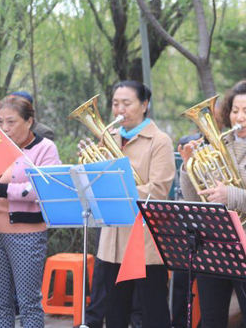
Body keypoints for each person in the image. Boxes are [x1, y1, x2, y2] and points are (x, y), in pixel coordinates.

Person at [178, 80, 246, 328]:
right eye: (235, 110)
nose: (239, 117)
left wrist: (232, 195)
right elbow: (195, 199)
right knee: (210, 321)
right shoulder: (217, 146)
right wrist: (187, 168)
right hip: (214, 248)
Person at [93, 80, 175, 328]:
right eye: (116, 104)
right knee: (115, 313)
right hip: (112, 242)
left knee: (153, 312)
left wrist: (117, 191)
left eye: (127, 104)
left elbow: (159, 190)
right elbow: (98, 181)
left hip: (146, 242)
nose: (120, 110)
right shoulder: (110, 139)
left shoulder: (160, 141)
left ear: (144, 105)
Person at [0, 95, 61, 327]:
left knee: (29, 305)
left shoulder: (45, 148)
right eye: (0, 122)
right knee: (0, 305)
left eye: (11, 122)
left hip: (28, 235)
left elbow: (43, 189)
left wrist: (0, 190)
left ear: (29, 121)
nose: (4, 128)